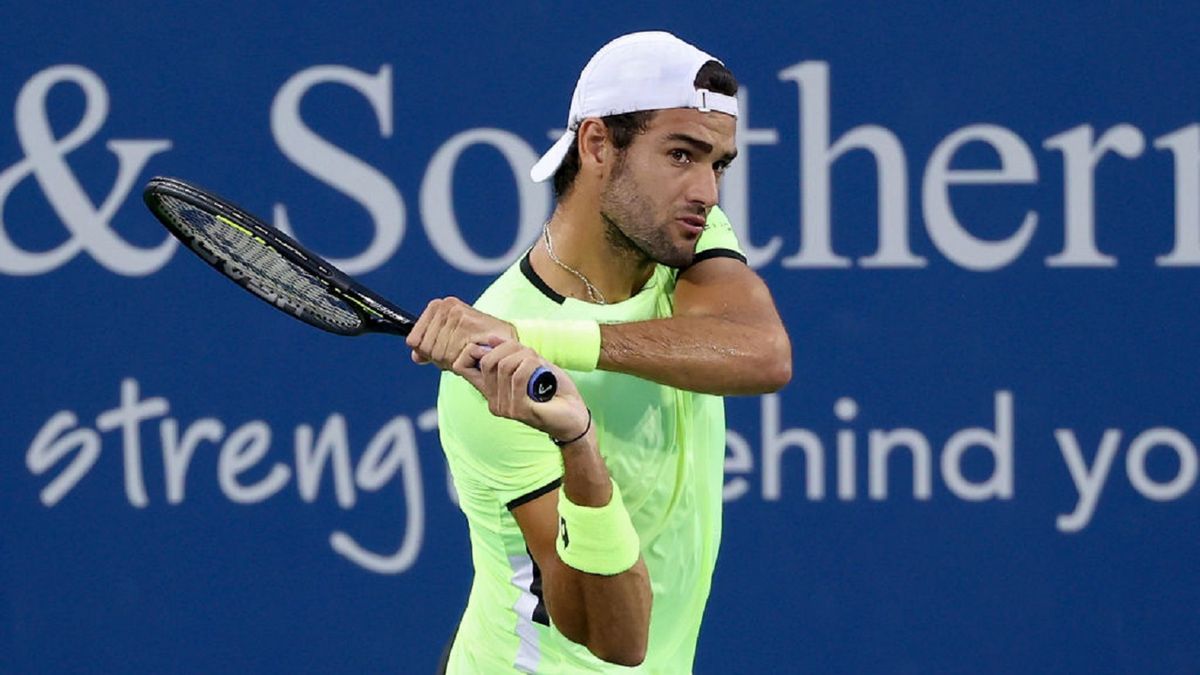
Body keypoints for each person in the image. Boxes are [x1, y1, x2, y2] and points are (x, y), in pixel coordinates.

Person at [407, 31, 791, 673]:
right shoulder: (487, 389)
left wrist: (538, 339)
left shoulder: (685, 232)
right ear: (596, 145)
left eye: (718, 163)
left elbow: (763, 353)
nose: (708, 192)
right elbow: (618, 637)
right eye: (681, 155)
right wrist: (577, 441)